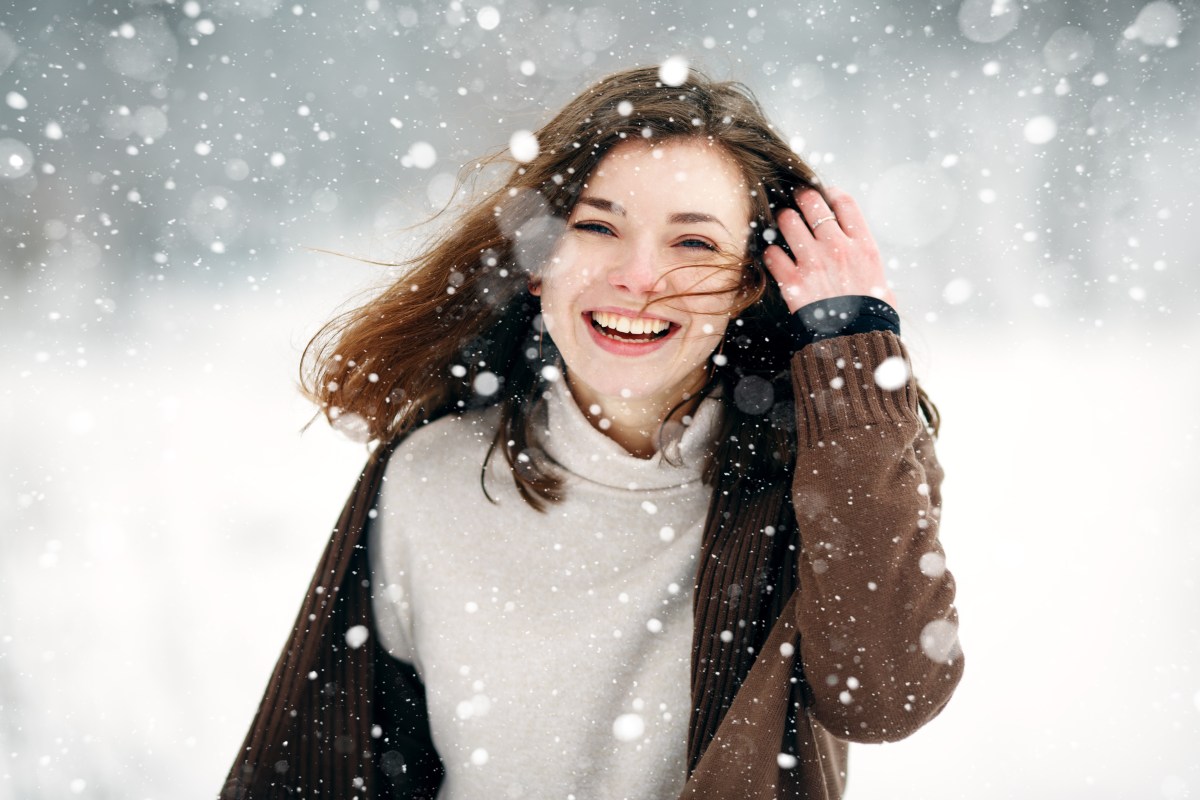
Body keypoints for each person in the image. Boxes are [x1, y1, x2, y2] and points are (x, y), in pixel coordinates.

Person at [222, 64, 963, 800]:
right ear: (539, 259)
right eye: (599, 226)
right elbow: (316, 766)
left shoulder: (816, 478)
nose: (639, 277)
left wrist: (852, 351)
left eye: (695, 244)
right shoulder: (428, 476)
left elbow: (886, 697)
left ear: (746, 285)